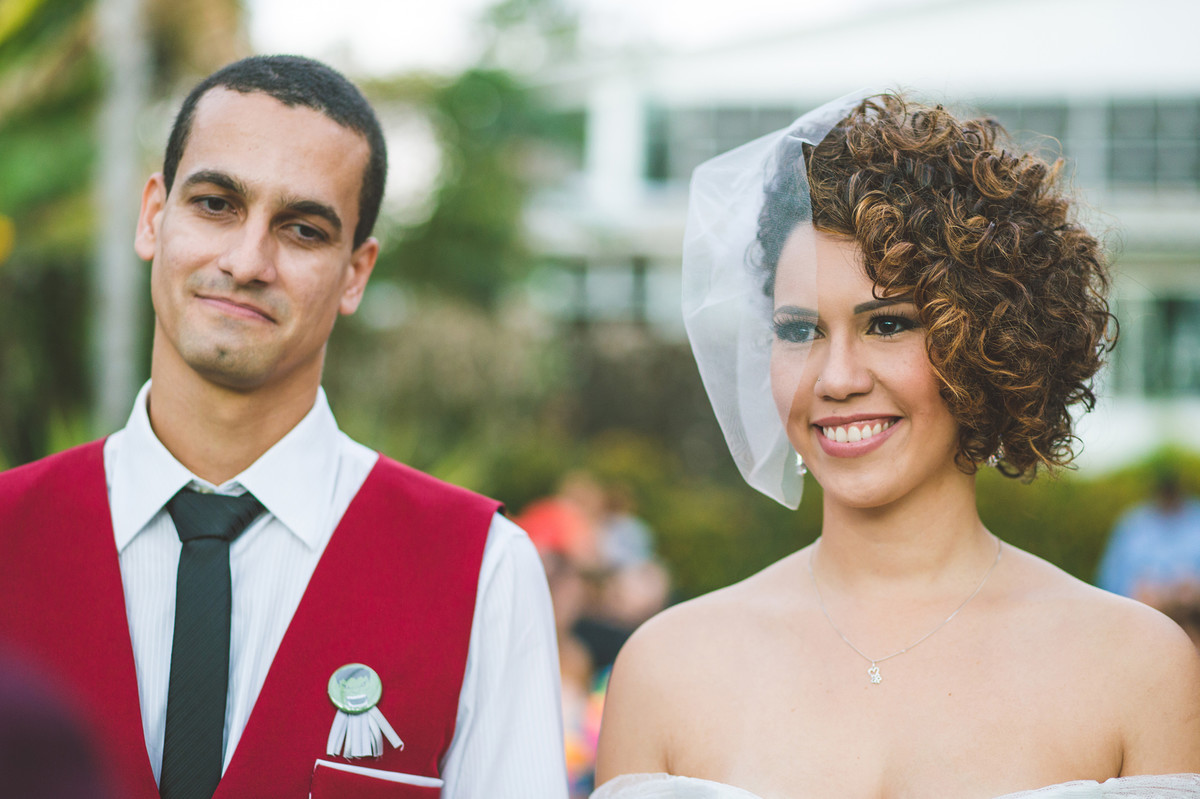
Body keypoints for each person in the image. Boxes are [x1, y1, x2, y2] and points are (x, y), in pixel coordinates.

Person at [592, 92, 1200, 798]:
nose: (836, 379)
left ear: (989, 343)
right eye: (800, 330)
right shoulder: (664, 671)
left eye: (887, 325)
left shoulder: (1136, 668)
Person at [0, 55, 566, 798]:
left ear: (355, 273)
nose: (246, 261)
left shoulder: (483, 571)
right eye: (215, 204)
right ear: (153, 217)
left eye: (302, 229)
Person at [1097, 464, 1200, 605]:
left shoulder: (1196, 517)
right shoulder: (1132, 523)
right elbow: (1108, 583)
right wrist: (1133, 594)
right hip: (1137, 611)